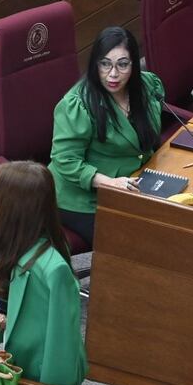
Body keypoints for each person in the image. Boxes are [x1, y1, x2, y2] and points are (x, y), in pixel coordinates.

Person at [0, 161, 88, 385]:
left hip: (34, 376)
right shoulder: (3, 237)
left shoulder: (53, 270)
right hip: (8, 362)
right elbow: (11, 281)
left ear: (12, 206)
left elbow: (56, 341)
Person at [49, 26, 164, 246]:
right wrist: (111, 183)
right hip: (82, 199)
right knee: (137, 242)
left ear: (133, 64)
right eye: (105, 64)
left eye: (122, 64)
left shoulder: (146, 86)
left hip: (133, 183)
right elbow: (66, 160)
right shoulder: (78, 104)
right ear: (95, 64)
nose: (113, 74)